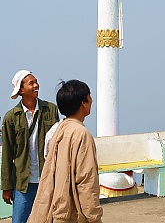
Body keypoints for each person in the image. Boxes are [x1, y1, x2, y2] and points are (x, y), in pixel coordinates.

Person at [28, 79, 103, 223]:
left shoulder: (58, 130)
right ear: (83, 103)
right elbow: (86, 180)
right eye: (89, 97)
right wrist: (94, 216)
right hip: (71, 213)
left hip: (55, 209)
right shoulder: (81, 133)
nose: (92, 100)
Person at [1, 70, 59, 223]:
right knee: (19, 220)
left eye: (36, 82)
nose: (36, 85)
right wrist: (6, 186)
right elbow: (7, 153)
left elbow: (57, 145)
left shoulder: (51, 110)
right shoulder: (11, 117)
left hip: (47, 179)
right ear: (21, 90)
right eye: (31, 83)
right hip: (23, 183)